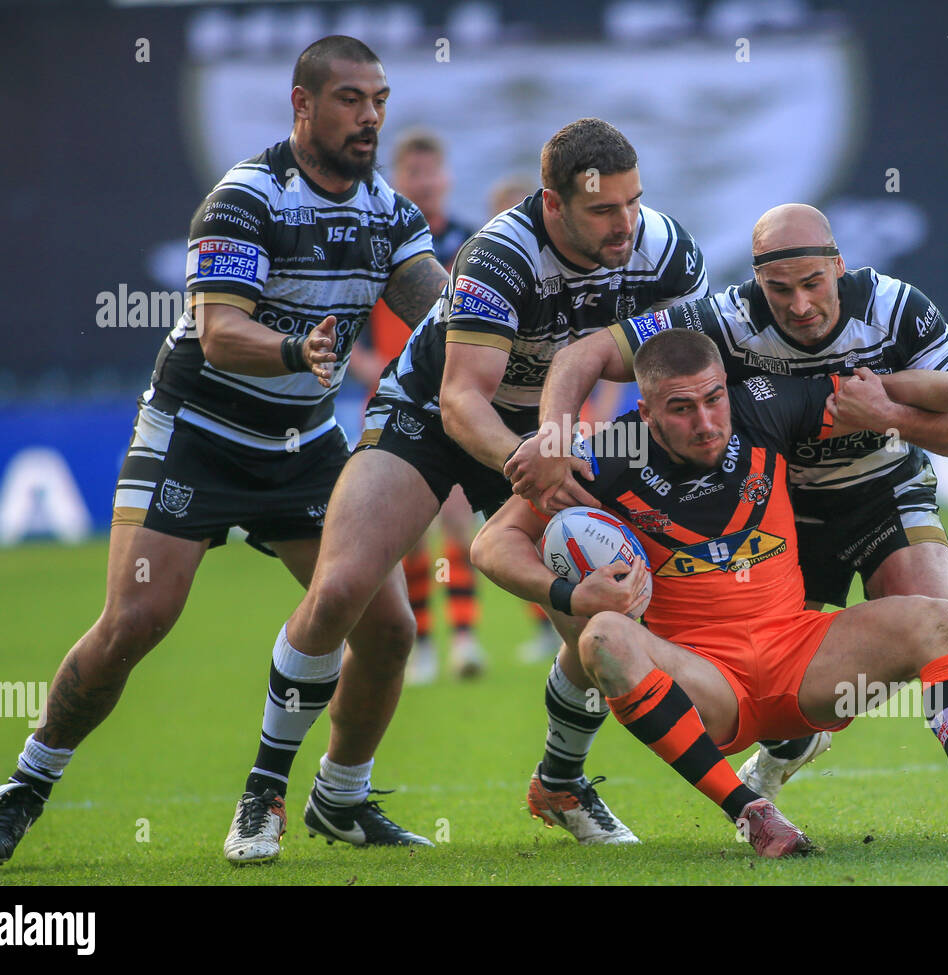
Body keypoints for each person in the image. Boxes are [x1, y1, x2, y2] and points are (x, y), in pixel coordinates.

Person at [0, 36, 449, 866]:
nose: (369, 116)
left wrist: (508, 331)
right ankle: (28, 780)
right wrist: (301, 353)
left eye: (379, 99)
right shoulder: (244, 199)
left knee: (391, 627)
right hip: (198, 434)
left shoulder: (389, 214)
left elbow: (443, 315)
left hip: (303, 445)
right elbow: (221, 334)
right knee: (137, 620)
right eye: (350, 99)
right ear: (302, 105)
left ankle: (340, 796)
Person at [507, 204, 948, 841]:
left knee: (941, 641)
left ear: (838, 266)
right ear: (756, 284)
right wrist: (554, 437)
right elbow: (583, 354)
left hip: (885, 492)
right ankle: (784, 749)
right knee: (776, 674)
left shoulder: (897, 307)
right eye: (779, 290)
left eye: (812, 284)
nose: (797, 305)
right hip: (789, 508)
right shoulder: (723, 318)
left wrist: (888, 414)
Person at [222, 117, 710, 861]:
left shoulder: (666, 250)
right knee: (341, 585)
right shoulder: (500, 254)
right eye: (603, 211)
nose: (625, 225)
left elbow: (679, 372)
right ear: (553, 204)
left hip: (543, 428)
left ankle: (562, 779)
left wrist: (605, 447)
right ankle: (267, 788)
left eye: (633, 203)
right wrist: (535, 456)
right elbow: (459, 399)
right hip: (431, 414)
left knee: (599, 606)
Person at [475, 329, 948, 856]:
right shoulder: (603, 452)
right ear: (645, 413)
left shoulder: (764, 405)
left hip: (801, 659)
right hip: (706, 681)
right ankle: (753, 814)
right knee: (602, 636)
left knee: (937, 619)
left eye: (713, 399)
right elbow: (492, 543)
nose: (705, 421)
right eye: (680, 409)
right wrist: (570, 596)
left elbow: (886, 386)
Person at [349, 128, 485, 684]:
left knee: (455, 522)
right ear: (398, 182)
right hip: (391, 405)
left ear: (445, 178)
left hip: (450, 401)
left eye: (432, 173)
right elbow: (347, 335)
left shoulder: (473, 246)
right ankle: (422, 642)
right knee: (406, 532)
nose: (424, 183)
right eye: (413, 175)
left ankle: (465, 639)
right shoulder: (378, 248)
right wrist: (373, 373)